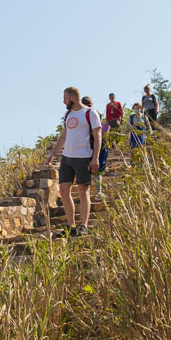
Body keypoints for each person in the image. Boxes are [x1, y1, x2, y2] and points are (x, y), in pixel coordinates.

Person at [45, 86, 102, 236]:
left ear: (72, 97)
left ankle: (84, 226)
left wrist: (95, 158)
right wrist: (53, 153)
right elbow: (64, 136)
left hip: (84, 157)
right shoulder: (67, 114)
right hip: (67, 158)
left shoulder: (90, 113)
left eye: (65, 98)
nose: (63, 101)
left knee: (83, 191)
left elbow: (98, 136)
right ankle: (71, 226)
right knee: (64, 191)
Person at [83, 97, 110, 200]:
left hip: (96, 146)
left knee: (96, 171)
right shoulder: (86, 117)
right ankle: (94, 194)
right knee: (93, 171)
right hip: (90, 146)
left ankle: (98, 193)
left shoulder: (91, 116)